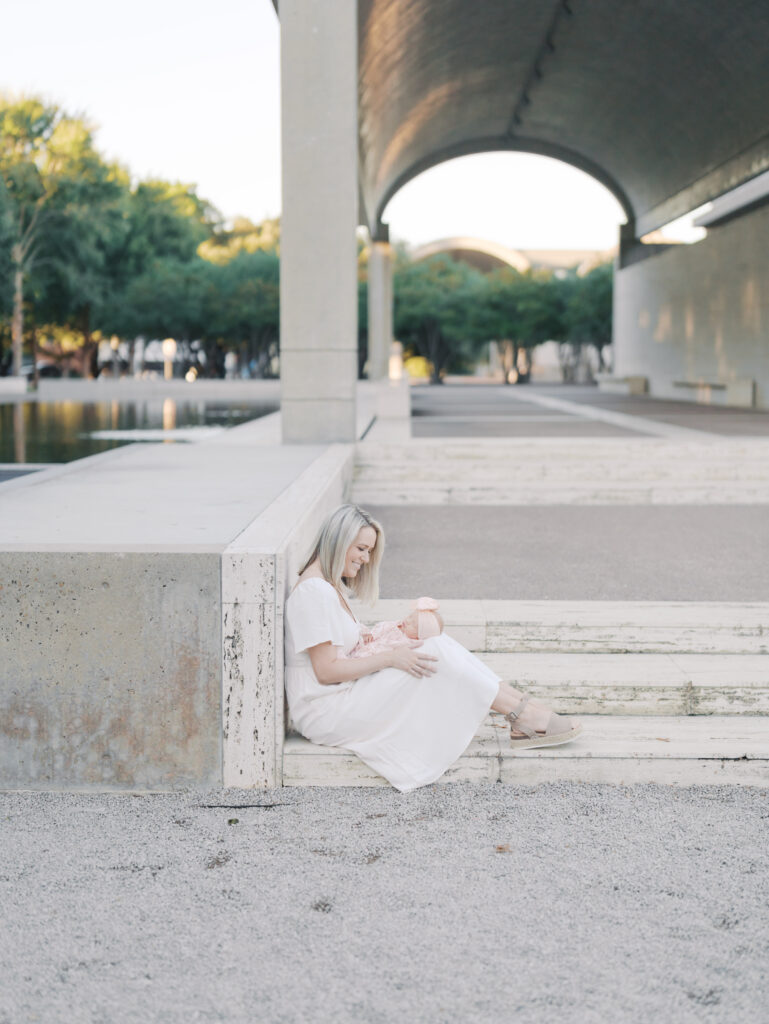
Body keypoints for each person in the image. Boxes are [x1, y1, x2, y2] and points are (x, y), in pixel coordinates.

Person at [284, 504, 581, 793]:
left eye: (369, 551)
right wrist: (390, 656)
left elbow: (347, 652)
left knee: (434, 643)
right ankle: (522, 713)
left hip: (341, 697)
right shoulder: (314, 592)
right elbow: (326, 671)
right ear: (338, 541)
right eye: (361, 549)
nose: (365, 558)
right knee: (435, 654)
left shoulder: (327, 588)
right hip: (327, 711)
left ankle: (520, 707)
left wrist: (395, 636)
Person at [344, 597, 444, 658]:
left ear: (419, 636)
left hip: (370, 654)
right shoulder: (398, 625)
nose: (408, 621)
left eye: (413, 625)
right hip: (366, 641)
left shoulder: (406, 643)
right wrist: (368, 634)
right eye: (410, 616)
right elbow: (381, 627)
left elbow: (385, 649)